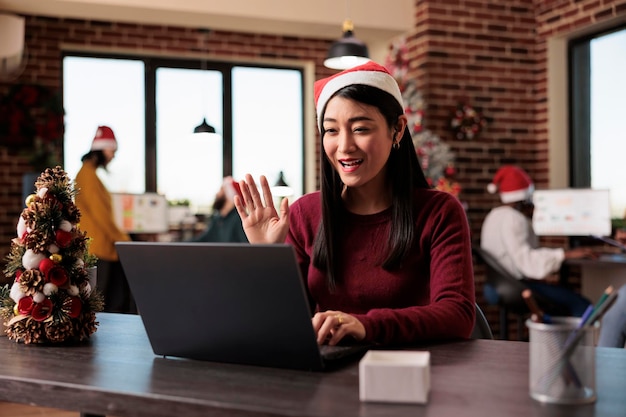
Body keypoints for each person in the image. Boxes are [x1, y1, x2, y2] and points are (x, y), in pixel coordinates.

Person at [233, 61, 475, 347]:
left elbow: (458, 315)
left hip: (414, 375)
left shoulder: (439, 211)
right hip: (327, 376)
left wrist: (365, 325)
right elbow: (282, 324)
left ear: (397, 130)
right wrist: (266, 258)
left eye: (360, 128)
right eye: (331, 131)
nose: (344, 146)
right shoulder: (304, 214)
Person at [480, 165, 593, 317]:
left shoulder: (493, 216)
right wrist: (565, 255)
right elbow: (528, 263)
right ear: (525, 199)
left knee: (555, 297)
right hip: (516, 288)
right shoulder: (514, 219)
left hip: (495, 286)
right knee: (581, 305)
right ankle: (572, 341)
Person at [74, 125, 136, 314]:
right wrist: (125, 240)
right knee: (100, 301)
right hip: (98, 248)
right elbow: (102, 217)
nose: (113, 156)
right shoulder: (89, 177)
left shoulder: (88, 174)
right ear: (101, 150)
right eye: (112, 151)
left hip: (99, 247)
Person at [190, 177, 248, 243]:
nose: (216, 194)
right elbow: (204, 239)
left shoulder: (239, 220)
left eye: (221, 190)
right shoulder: (217, 219)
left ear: (229, 195)